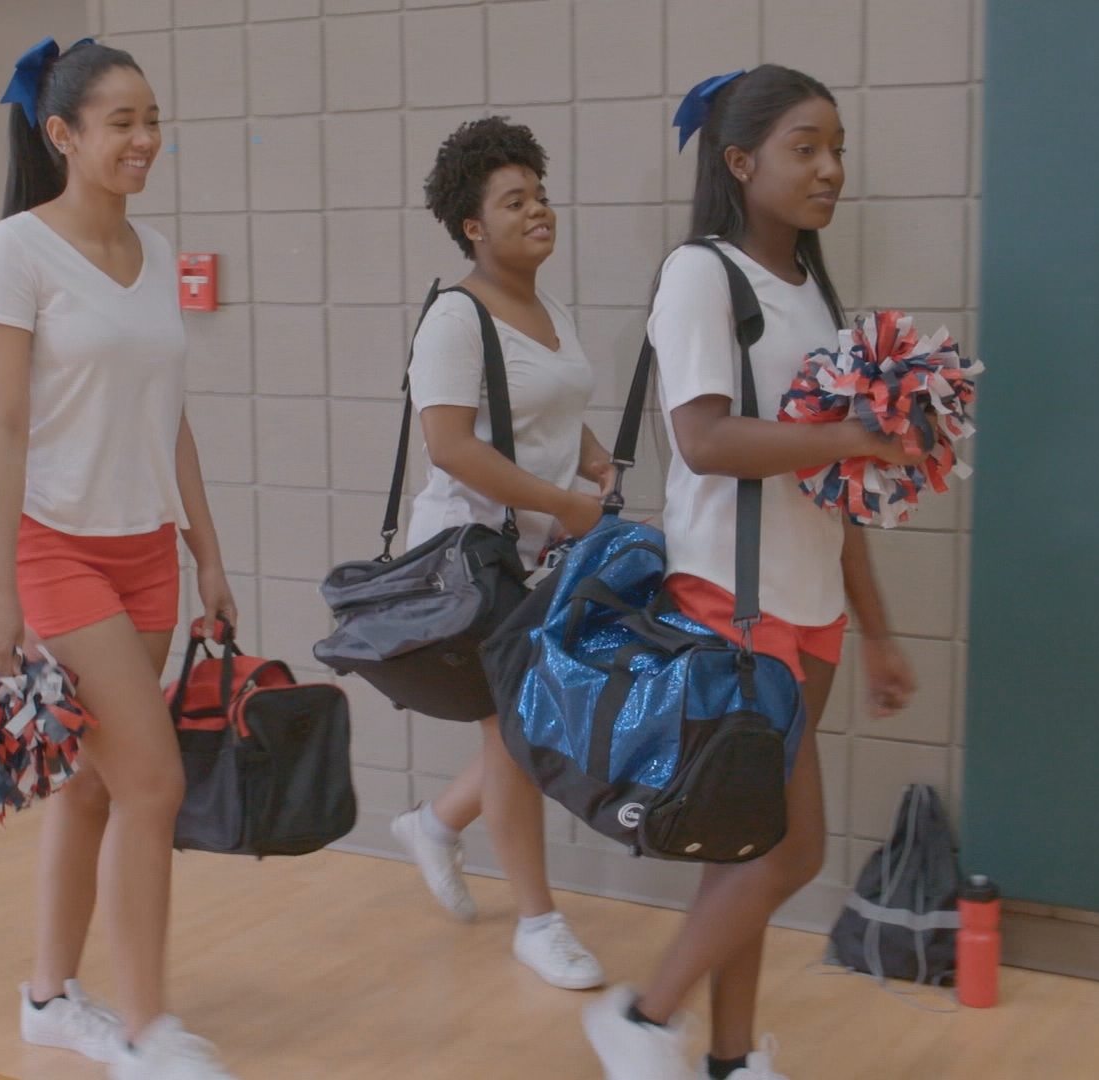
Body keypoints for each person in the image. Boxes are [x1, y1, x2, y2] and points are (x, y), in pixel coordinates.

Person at [580, 66, 921, 1080]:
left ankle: (729, 1060)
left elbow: (832, 484)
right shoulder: (702, 274)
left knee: (746, 848)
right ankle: (642, 1018)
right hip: (731, 605)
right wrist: (852, 435)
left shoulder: (814, 290)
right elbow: (706, 439)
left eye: (837, 148)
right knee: (791, 850)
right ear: (739, 162)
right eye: (805, 148)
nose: (831, 169)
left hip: (810, 605)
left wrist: (876, 628)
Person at [0, 38, 239, 1080]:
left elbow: (171, 417)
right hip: (56, 550)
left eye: (152, 119)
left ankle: (49, 996)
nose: (145, 139)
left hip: (147, 551)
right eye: (122, 121)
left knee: (92, 785)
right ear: (62, 134)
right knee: (153, 784)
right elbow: (2, 428)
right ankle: (145, 1028)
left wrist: (207, 551)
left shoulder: (158, 252)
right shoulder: (14, 251)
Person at [387, 117, 609, 992]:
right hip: (469, 557)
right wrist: (565, 503)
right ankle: (539, 923)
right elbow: (449, 445)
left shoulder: (549, 310)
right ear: (473, 226)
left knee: (529, 726)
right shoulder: (455, 317)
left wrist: (594, 461)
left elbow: (550, 406)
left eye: (540, 195)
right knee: (518, 734)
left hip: (531, 549)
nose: (538, 211)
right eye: (514, 202)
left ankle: (437, 824)